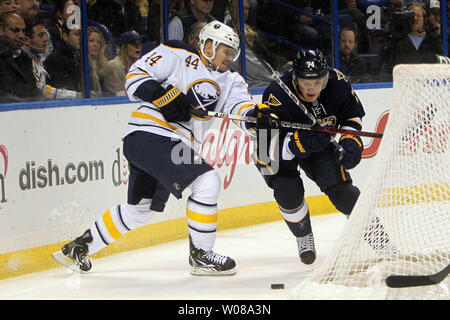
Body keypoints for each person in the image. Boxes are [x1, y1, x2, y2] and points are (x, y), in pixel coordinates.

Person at [52, 21, 264, 276]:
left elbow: (240, 109)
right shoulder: (178, 54)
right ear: (208, 46)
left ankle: (79, 247)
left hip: (169, 145)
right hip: (148, 134)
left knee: (140, 210)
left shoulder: (233, 81)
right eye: (226, 51)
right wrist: (164, 96)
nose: (230, 57)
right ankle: (201, 256)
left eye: (233, 52)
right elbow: (136, 78)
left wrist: (256, 117)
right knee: (207, 180)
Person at [243, 48, 365, 265]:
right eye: (305, 83)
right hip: (278, 149)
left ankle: (373, 231)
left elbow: (351, 116)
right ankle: (303, 235)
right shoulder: (277, 94)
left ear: (325, 78)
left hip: (317, 142)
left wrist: (351, 139)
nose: (311, 89)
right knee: (287, 192)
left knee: (341, 190)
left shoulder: (338, 84)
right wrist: (295, 144)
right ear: (295, 78)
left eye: (317, 83)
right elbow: (265, 147)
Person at [380, 2, 442, 81]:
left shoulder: (434, 41)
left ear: (424, 19)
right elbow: (386, 61)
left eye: (418, 16)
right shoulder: (397, 41)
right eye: (412, 15)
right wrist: (387, 35)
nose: (415, 18)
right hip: (404, 85)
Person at [23, 18, 82, 99]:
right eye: (40, 35)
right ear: (26, 40)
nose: (45, 39)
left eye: (45, 35)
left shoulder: (39, 61)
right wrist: (75, 95)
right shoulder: (24, 63)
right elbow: (40, 90)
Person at [0, 12, 42, 102]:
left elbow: (33, 90)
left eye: (23, 31)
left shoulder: (26, 58)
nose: (21, 36)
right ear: (1, 30)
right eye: (15, 30)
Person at [44, 24, 84, 93]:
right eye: (76, 34)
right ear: (65, 36)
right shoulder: (55, 59)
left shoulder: (80, 58)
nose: (80, 38)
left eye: (81, 35)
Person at [102, 30, 143, 96]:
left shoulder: (141, 67)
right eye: (133, 44)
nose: (138, 47)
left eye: (140, 43)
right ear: (124, 47)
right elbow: (119, 97)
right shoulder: (114, 66)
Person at [87, 25, 108, 96]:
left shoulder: (103, 65)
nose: (95, 45)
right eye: (91, 41)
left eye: (98, 42)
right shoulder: (82, 65)